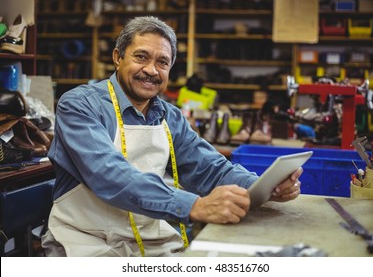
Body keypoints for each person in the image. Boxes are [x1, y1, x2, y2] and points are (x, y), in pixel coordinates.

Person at [41, 16, 303, 257]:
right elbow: (109, 175)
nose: (152, 70)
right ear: (118, 57)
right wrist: (193, 207)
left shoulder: (170, 117)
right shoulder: (80, 105)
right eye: (141, 57)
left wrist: (263, 187)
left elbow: (210, 169)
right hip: (85, 242)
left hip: (149, 241)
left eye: (162, 62)